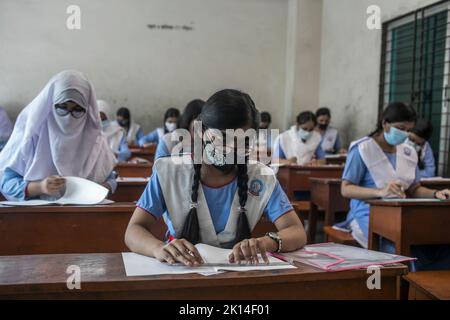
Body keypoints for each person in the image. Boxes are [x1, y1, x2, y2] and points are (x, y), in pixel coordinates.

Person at [125, 89, 306, 266]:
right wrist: (158, 248)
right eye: (224, 138)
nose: (233, 149)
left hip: (238, 275)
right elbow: (134, 230)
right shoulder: (169, 172)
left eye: (244, 142)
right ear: (201, 131)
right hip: (181, 270)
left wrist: (266, 242)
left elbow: (297, 231)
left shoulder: (261, 178)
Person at [335, 102, 450, 271]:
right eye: (401, 128)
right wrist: (380, 192)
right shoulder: (363, 149)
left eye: (408, 130)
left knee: (434, 245)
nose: (405, 133)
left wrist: (436, 194)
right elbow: (346, 188)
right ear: (385, 124)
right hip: (369, 214)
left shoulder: (408, 152)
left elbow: (414, 188)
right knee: (401, 252)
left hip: (402, 213)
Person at [0, 70, 117, 201]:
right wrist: (40, 187)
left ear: (87, 110)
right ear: (51, 104)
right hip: (35, 216)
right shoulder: (31, 136)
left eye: (78, 109)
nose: (68, 117)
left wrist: (96, 191)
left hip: (83, 216)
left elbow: (111, 179)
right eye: (62, 107)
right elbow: (6, 182)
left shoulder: (95, 139)